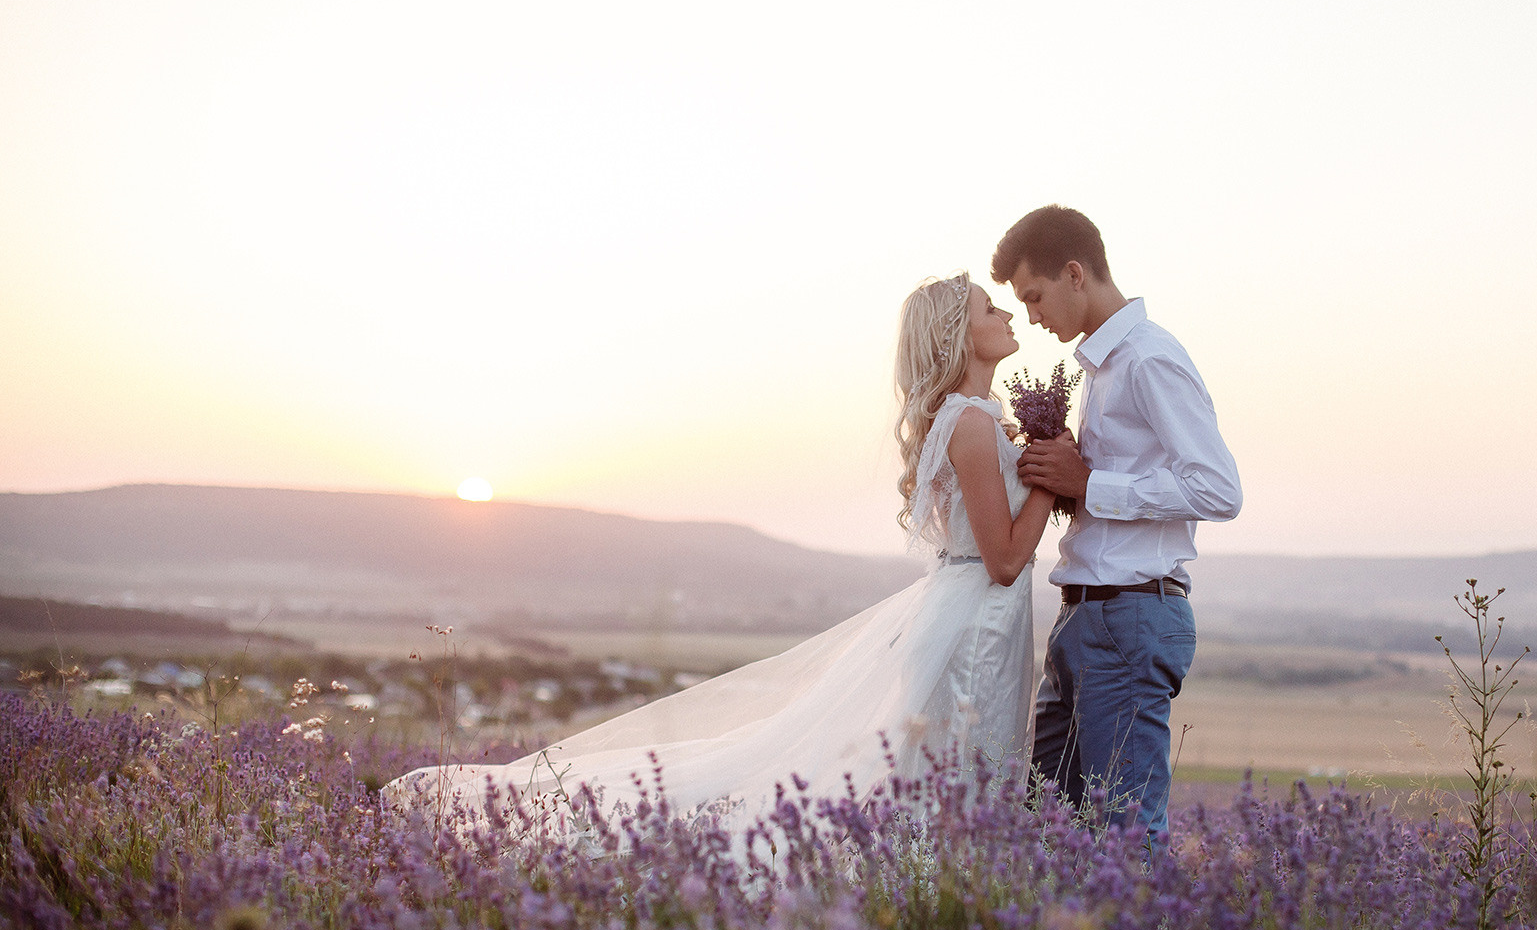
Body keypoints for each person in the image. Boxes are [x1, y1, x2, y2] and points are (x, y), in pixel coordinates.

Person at [383, 273, 1056, 844]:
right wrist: (1055, 480)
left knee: (951, 768)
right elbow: (1002, 558)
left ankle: (951, 891)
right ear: (958, 336)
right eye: (988, 309)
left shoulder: (978, 419)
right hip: (976, 622)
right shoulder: (970, 424)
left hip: (974, 613)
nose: (1002, 314)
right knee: (964, 765)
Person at [995, 205, 1241, 841]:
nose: (1032, 318)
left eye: (1035, 297)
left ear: (1075, 273)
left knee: (1125, 837)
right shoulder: (1101, 369)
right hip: (1083, 616)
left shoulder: (1149, 359)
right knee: (1047, 826)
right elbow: (1112, 494)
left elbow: (1217, 488)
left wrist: (1087, 483)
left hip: (1131, 618)